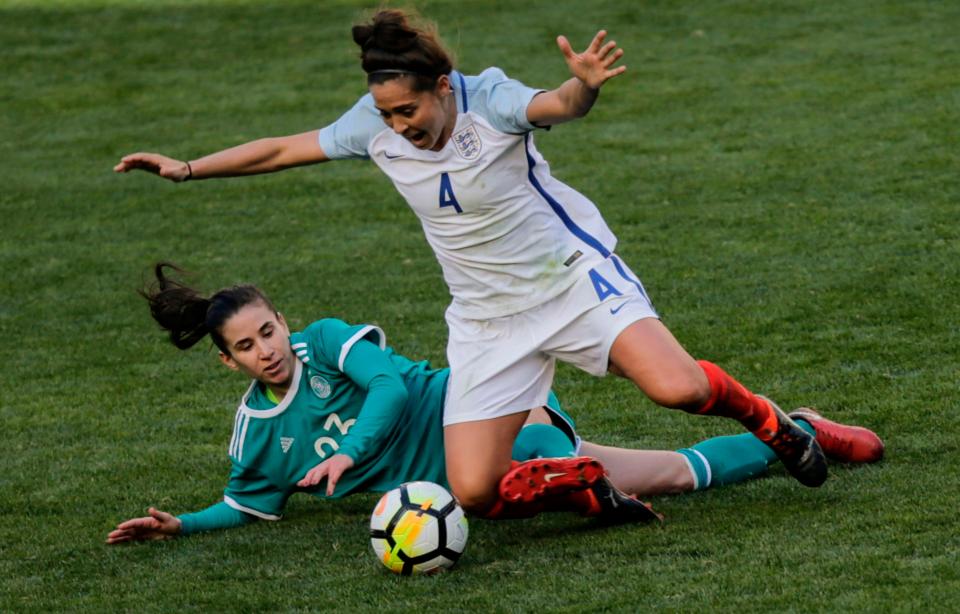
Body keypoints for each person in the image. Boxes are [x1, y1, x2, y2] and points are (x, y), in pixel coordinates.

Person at [115, 9, 832, 518]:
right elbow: (279, 150)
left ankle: (772, 423)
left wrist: (584, 85)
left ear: (441, 87)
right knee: (476, 492)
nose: (397, 127)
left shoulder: (489, 99)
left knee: (676, 389)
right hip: (488, 320)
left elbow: (558, 103)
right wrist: (186, 168)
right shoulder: (374, 127)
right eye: (386, 113)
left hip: (570, 281)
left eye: (407, 110)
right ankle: (581, 482)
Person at [106, 266, 882, 543]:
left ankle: (567, 481)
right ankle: (803, 430)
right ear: (227, 360)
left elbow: (389, 385)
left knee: (518, 467)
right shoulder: (257, 435)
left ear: (282, 319)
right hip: (478, 474)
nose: (268, 349)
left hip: (488, 411)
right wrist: (182, 524)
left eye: (269, 329)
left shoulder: (328, 344)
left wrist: (349, 453)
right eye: (247, 346)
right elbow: (245, 502)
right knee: (676, 475)